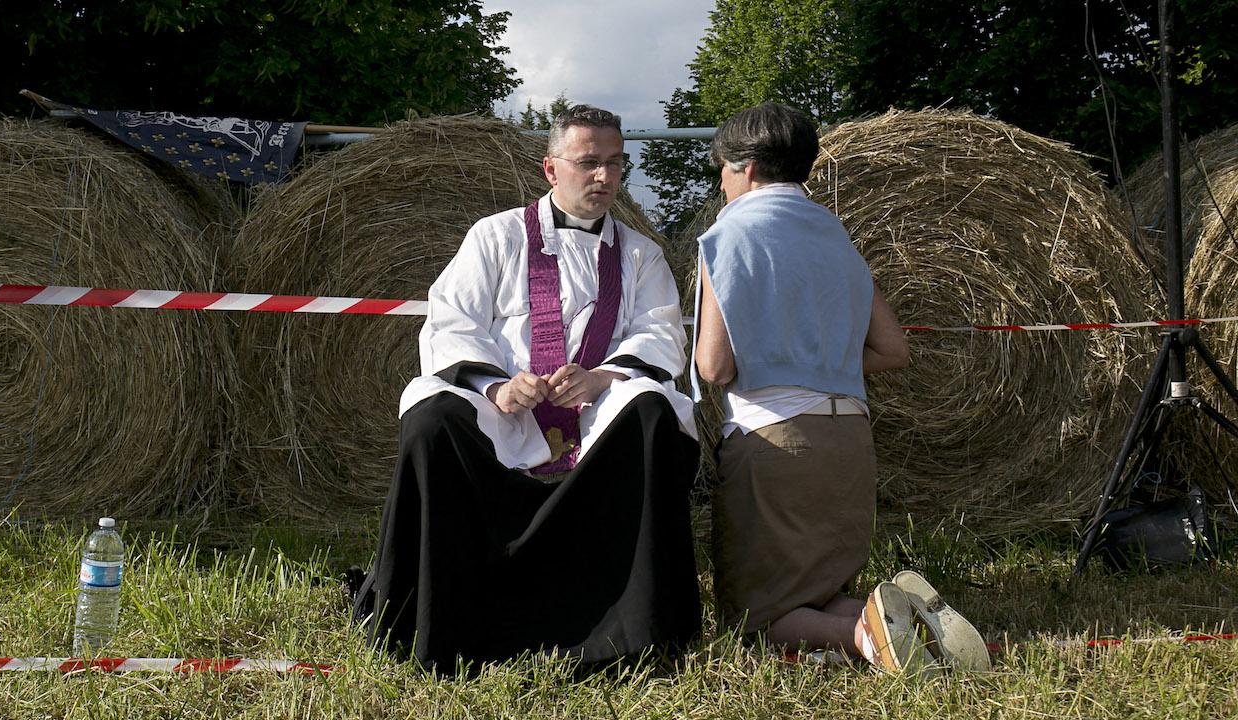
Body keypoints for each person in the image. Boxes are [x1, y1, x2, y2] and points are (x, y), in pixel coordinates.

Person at [352, 104, 702, 673]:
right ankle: (438, 619)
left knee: (651, 410)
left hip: (594, 412)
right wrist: (495, 388)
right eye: (589, 162)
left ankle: (630, 631)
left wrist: (602, 376)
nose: (605, 178)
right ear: (549, 168)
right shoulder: (493, 237)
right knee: (431, 416)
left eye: (616, 164)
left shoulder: (642, 255)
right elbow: (450, 322)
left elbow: (659, 335)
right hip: (506, 411)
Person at [693, 102, 989, 674]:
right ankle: (917, 628)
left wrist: (778, 360)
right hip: (850, 440)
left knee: (756, 618)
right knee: (820, 591)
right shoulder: (836, 236)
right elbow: (893, 350)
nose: (722, 184)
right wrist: (819, 359)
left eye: (723, 171)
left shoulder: (727, 235)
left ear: (747, 168)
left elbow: (712, 366)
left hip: (774, 439)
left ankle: (868, 638)